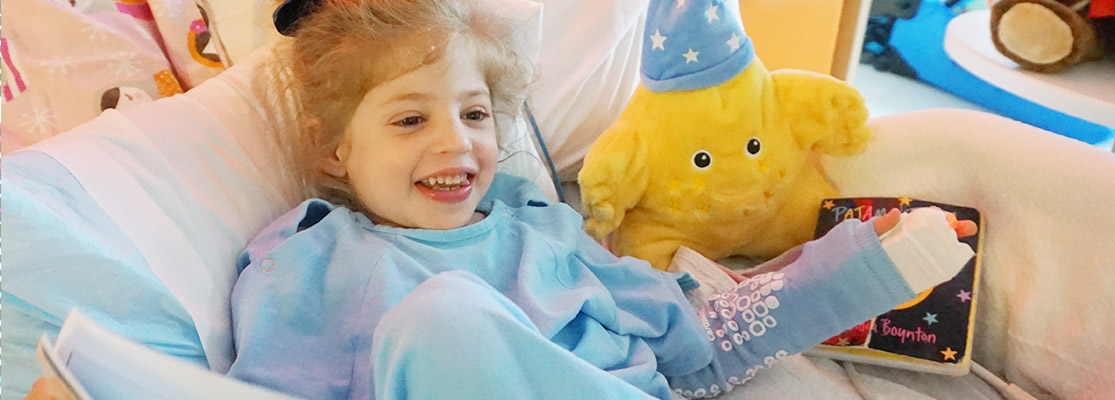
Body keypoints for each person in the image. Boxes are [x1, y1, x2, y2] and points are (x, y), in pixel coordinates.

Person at [23, 0, 975, 399]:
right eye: (409, 121)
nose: (456, 144)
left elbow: (693, 343)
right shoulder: (305, 261)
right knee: (440, 319)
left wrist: (862, 262)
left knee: (459, 314)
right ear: (335, 148)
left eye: (475, 115)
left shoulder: (541, 227)